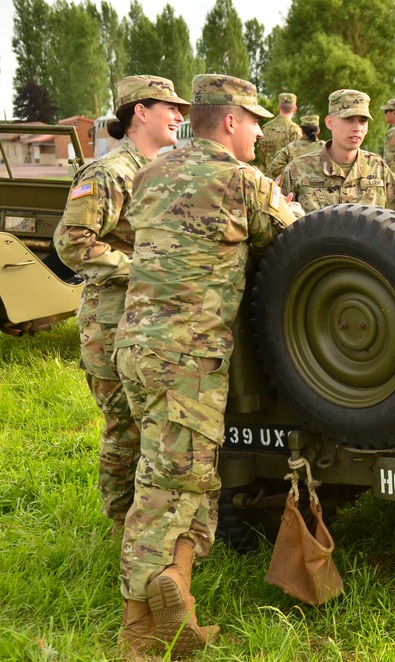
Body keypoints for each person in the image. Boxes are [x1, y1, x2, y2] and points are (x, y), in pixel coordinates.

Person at [113, 74, 301, 656]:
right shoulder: (241, 181)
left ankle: (177, 602)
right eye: (254, 121)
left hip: (136, 349)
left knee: (191, 478)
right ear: (228, 122)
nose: (260, 131)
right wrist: (288, 207)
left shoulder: (149, 173)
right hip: (186, 359)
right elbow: (295, 236)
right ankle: (137, 629)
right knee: (163, 488)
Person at [53, 75, 190, 538]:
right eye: (169, 107)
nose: (178, 116)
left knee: (154, 423)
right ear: (139, 112)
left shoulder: (161, 171)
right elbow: (71, 243)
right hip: (110, 321)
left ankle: (149, 521)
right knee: (125, 427)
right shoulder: (108, 174)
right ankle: (120, 523)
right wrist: (139, 268)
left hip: (151, 321)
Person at [279, 89, 395, 221]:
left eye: (362, 121)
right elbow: (278, 227)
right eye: (349, 119)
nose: (357, 128)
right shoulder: (297, 171)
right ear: (329, 122)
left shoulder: (377, 168)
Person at [267, 114, 323, 179]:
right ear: (318, 131)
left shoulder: (291, 147)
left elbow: (274, 168)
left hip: (297, 187)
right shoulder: (325, 147)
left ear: (301, 131)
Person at [257, 91, 302, 168]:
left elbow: (261, 154)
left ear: (279, 108)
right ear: (295, 109)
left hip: (269, 176)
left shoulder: (266, 127)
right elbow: (297, 156)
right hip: (287, 176)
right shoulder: (295, 129)